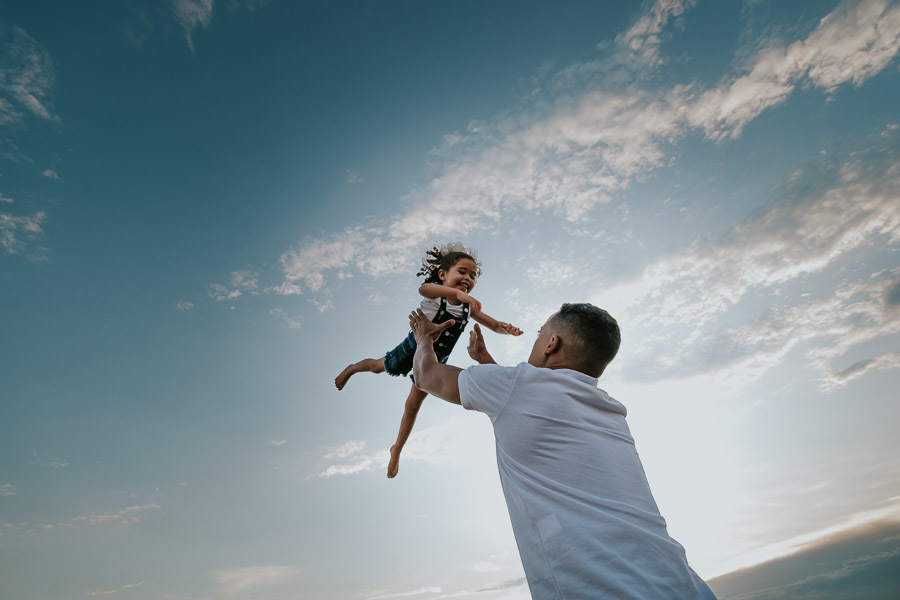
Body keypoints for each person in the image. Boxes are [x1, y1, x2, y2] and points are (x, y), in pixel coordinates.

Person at [407, 303, 718, 600]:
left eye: (540, 333)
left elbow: (426, 376)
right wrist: (487, 364)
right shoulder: (609, 410)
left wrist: (424, 337)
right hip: (685, 587)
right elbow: (528, 405)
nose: (537, 338)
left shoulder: (517, 387)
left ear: (551, 344)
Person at [335, 242, 523, 478]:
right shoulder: (436, 294)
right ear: (443, 275)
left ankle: (396, 449)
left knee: (412, 406)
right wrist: (455, 293)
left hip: (435, 361)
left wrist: (507, 329)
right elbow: (424, 289)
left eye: (473, 275)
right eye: (462, 272)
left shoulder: (468, 307)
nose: (468, 278)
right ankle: (352, 368)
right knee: (375, 366)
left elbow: (494, 325)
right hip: (411, 350)